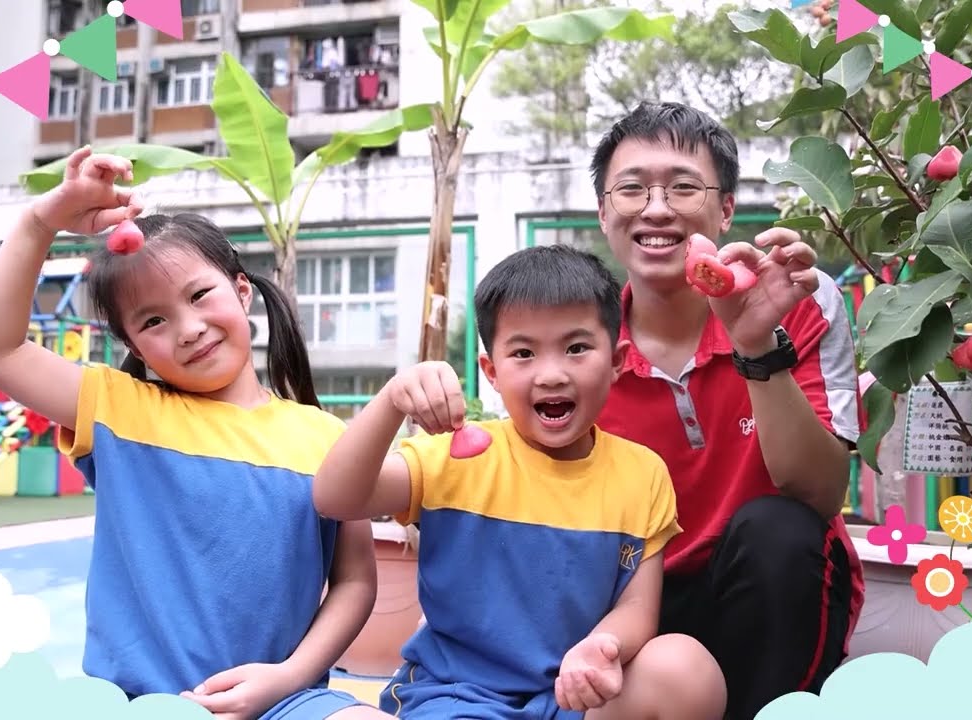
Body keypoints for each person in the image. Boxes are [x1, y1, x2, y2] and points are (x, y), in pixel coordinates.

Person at [0, 147, 390, 720]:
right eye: (153, 321)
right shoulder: (118, 409)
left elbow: (355, 581)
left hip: (289, 700)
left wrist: (287, 678)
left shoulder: (323, 436)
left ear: (241, 292)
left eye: (199, 295)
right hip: (138, 704)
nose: (188, 329)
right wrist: (41, 222)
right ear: (135, 348)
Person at [313, 244, 727, 720]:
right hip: (456, 698)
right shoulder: (458, 454)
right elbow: (335, 497)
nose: (551, 374)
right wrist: (390, 402)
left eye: (576, 348)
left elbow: (637, 606)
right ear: (492, 371)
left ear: (617, 361)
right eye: (524, 353)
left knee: (685, 668)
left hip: (574, 698)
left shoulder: (643, 473)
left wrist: (602, 647)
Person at [589, 102, 864, 720]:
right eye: (631, 188)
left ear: (727, 208)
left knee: (779, 529)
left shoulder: (799, 297)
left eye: (684, 187)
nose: (656, 209)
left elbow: (820, 493)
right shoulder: (583, 342)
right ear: (605, 211)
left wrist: (755, 345)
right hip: (639, 600)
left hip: (770, 586)